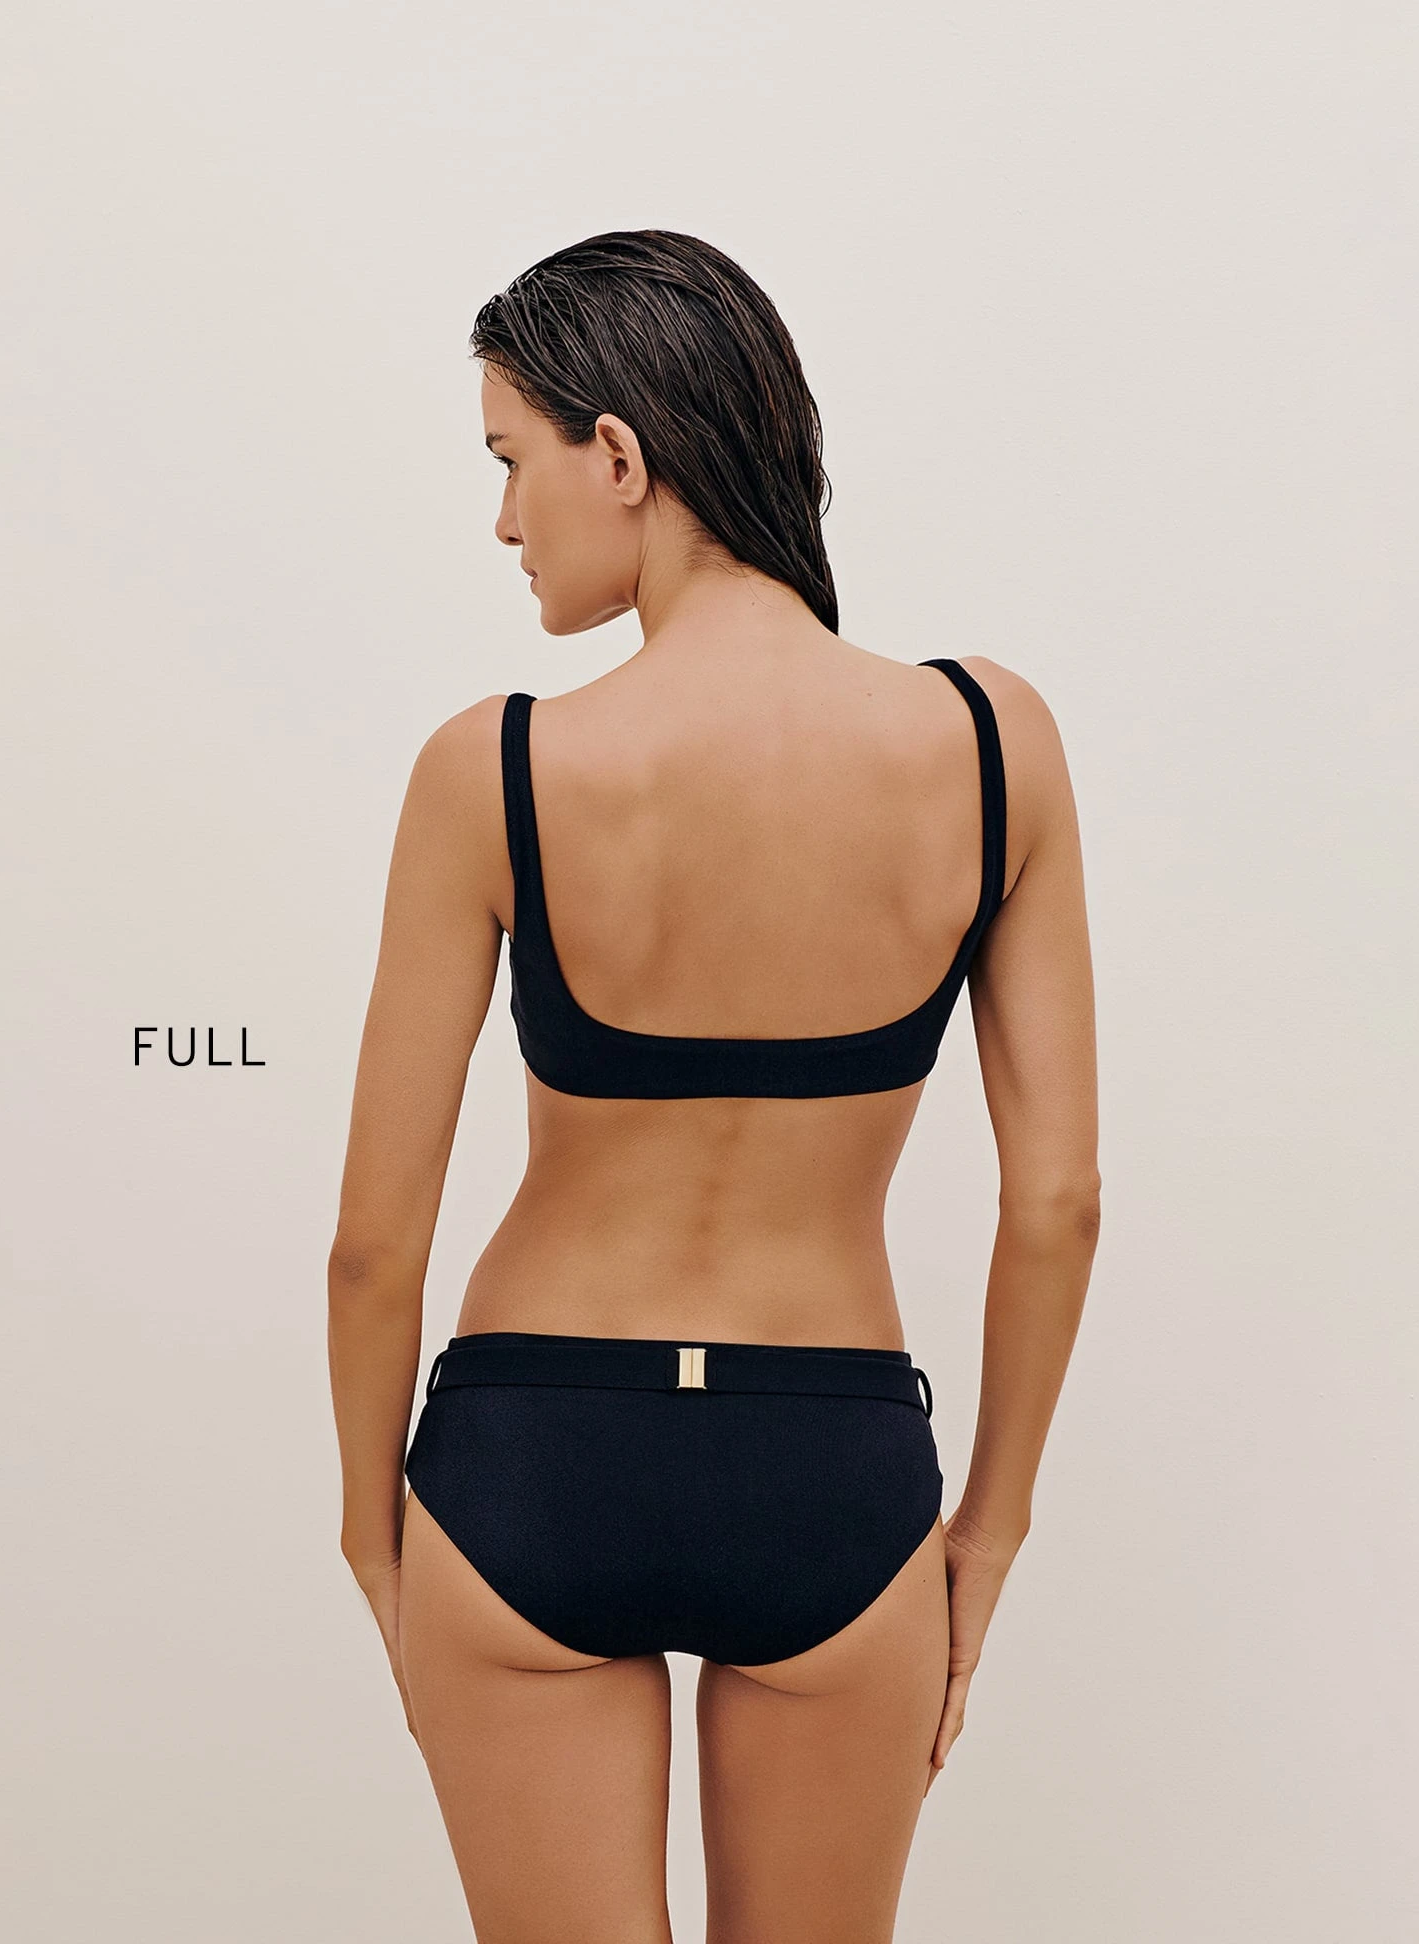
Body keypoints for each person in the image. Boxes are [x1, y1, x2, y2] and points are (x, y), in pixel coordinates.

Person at [328, 229, 1099, 1944]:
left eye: (509, 461)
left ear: (617, 453)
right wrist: (985, 1537)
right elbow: (1057, 1202)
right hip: (829, 1463)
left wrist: (372, 1536)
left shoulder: (495, 769)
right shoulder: (991, 744)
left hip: (531, 1459)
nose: (504, 521)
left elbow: (373, 1244)